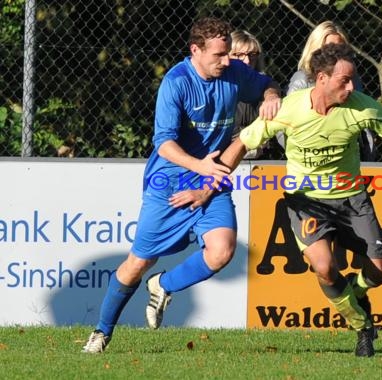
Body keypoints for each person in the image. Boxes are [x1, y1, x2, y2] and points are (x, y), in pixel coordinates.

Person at [173, 43, 382, 357]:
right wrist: (207, 188)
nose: (350, 86)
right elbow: (240, 145)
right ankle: (362, 326)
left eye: (352, 80)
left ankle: (355, 294)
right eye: (343, 81)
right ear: (321, 79)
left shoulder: (362, 107)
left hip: (351, 199)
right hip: (306, 202)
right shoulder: (289, 109)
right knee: (324, 267)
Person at [81, 17, 281, 354]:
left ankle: (164, 285)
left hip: (211, 178)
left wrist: (271, 96)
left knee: (222, 251)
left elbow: (266, 83)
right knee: (138, 263)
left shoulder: (232, 71)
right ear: (196, 50)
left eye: (228, 53)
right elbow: (164, 144)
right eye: (218, 54)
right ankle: (101, 332)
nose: (226, 60)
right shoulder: (176, 82)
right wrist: (200, 165)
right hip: (169, 184)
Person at [285, 21, 376, 162]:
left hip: (351, 157)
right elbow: (284, 125)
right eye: (329, 47)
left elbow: (363, 114)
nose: (335, 53)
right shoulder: (301, 80)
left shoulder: (352, 79)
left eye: (340, 47)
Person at [230, 30, 282, 159]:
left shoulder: (266, 84)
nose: (247, 60)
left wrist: (271, 96)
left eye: (252, 54)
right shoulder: (220, 87)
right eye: (239, 55)